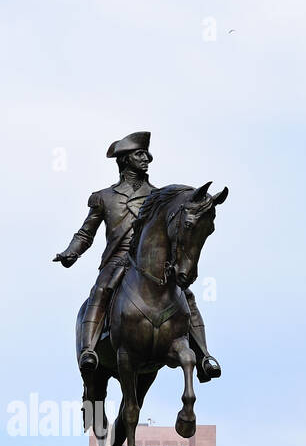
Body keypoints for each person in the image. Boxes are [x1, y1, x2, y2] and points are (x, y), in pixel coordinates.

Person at [54, 131, 220, 382]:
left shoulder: (159, 196)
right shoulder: (104, 197)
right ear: (124, 160)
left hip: (153, 262)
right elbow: (86, 233)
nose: (146, 159)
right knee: (101, 290)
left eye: (146, 154)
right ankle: (89, 349)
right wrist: (71, 252)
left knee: (186, 295)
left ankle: (204, 356)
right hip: (117, 259)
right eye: (139, 154)